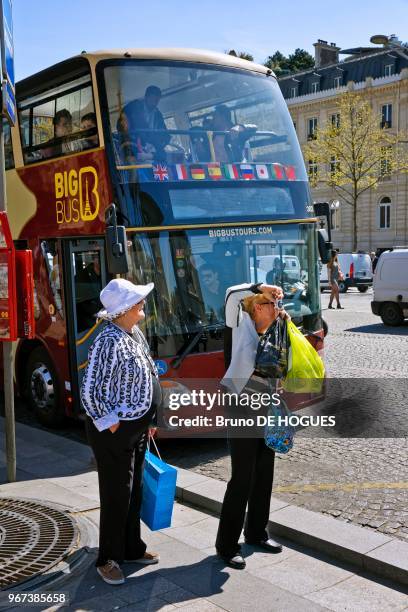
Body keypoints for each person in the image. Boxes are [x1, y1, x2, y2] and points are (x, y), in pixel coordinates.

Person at [80, 278, 163, 586]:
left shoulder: (133, 332)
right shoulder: (106, 341)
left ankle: (131, 548)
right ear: (124, 309)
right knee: (117, 494)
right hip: (115, 432)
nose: (143, 304)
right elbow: (90, 390)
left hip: (137, 426)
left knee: (134, 490)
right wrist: (111, 422)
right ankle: (108, 559)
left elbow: (149, 373)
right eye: (138, 301)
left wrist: (150, 419)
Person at [215, 282, 290, 569]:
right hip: (240, 406)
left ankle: (257, 532)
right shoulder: (238, 325)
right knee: (242, 477)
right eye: (271, 303)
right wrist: (262, 286)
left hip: (266, 404)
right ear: (257, 306)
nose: (277, 307)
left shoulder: (274, 328)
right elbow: (231, 294)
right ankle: (226, 546)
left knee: (264, 472)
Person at [120, 86, 170, 161]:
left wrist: (163, 140)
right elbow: (122, 127)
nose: (155, 103)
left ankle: (151, 157)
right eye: (153, 99)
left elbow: (163, 132)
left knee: (166, 157)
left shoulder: (158, 114)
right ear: (146, 97)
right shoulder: (132, 107)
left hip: (152, 147)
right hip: (135, 145)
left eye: (157, 100)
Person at [75, 254, 102, 332]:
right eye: (98, 257)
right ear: (94, 260)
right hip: (86, 326)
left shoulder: (107, 273)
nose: (101, 259)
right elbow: (82, 303)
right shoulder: (81, 276)